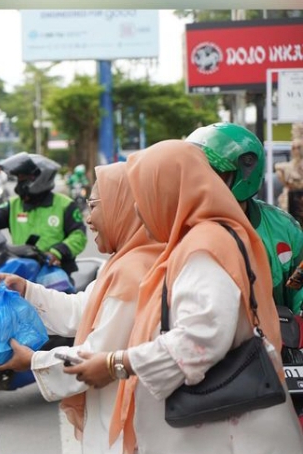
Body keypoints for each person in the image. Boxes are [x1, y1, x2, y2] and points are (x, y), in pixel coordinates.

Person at [67, 140, 303, 454]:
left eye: (142, 196)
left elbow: (201, 337)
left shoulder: (203, 248)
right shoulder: (198, 241)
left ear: (168, 193)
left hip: (224, 434)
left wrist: (116, 364)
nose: (137, 209)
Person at [0, 161, 164, 454]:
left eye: (94, 206)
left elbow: (96, 353)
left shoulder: (134, 272)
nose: (89, 219)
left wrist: (33, 361)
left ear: (123, 207)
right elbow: (80, 309)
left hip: (131, 424)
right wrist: (27, 289)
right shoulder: (121, 263)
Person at [186, 123, 303, 315]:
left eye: (212, 172)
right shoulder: (178, 225)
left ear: (246, 168)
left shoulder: (284, 227)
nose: (199, 181)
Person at [0, 151, 87, 277]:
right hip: (23, 269)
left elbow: (79, 236)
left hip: (55, 270)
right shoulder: (14, 204)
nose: (19, 185)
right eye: (18, 179)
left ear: (38, 178)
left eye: (22, 179)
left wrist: (57, 252)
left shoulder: (65, 205)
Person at [276, 139, 303, 214]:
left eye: (298, 147)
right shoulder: (288, 166)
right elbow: (279, 168)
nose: (296, 150)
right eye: (294, 148)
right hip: (291, 198)